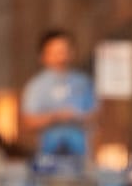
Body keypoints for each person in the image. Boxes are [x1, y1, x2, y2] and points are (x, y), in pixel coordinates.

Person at [21, 30, 97, 160]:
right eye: (55, 53)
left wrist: (75, 117)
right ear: (44, 56)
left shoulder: (83, 83)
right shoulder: (36, 86)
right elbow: (28, 121)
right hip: (48, 155)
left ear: (72, 52)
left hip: (80, 154)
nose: (61, 57)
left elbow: (95, 116)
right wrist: (55, 117)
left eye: (64, 51)